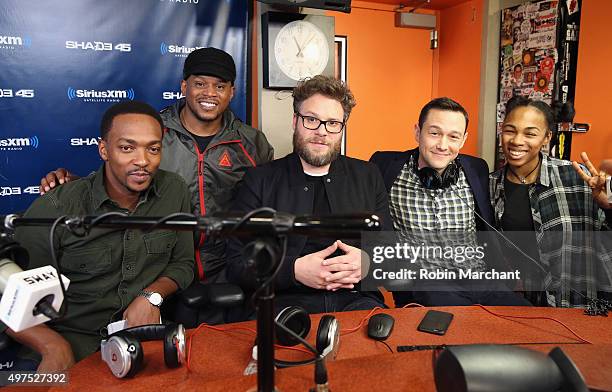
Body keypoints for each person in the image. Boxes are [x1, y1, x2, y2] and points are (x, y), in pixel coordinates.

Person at [39, 48, 274, 322]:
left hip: (228, 269)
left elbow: (267, 198)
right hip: (160, 269)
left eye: (219, 86)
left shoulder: (252, 143)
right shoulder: (153, 131)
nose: (209, 93)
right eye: (200, 84)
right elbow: (117, 178)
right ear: (184, 86)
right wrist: (71, 182)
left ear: (231, 92)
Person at [3, 101, 195, 370]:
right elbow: (9, 297)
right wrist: (52, 346)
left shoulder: (174, 191)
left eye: (153, 149)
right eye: (127, 148)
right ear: (104, 150)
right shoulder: (57, 207)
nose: (142, 161)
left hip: (140, 343)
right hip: (71, 344)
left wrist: (152, 295)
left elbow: (183, 263)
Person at [226, 75, 391, 315]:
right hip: (282, 305)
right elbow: (237, 263)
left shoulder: (368, 175)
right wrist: (293, 270)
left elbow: (390, 253)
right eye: (311, 119)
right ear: (295, 121)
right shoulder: (259, 180)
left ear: (342, 127)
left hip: (356, 302)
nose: (322, 132)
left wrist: (368, 263)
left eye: (333, 123)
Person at [370, 97, 530, 307]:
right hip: (425, 287)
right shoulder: (384, 167)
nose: (442, 145)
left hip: (482, 280)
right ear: (418, 132)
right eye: (434, 133)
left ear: (463, 140)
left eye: (453, 136)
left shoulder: (477, 169)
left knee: (529, 320)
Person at [490, 96, 612, 307]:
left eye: (530, 133)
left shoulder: (577, 177)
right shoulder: (490, 185)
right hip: (523, 307)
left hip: (579, 305)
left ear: (547, 137)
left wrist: (609, 205)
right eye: (510, 130)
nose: (517, 141)